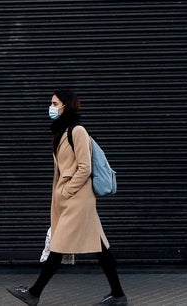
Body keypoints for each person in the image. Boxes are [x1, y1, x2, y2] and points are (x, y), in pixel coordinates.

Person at [7, 89, 127, 306]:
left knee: (59, 244)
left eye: (54, 103)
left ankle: (34, 293)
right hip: (72, 198)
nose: (51, 107)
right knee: (101, 248)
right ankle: (118, 295)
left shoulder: (77, 130)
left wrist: (67, 191)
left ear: (66, 105)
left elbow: (85, 167)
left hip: (78, 199)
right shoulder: (62, 132)